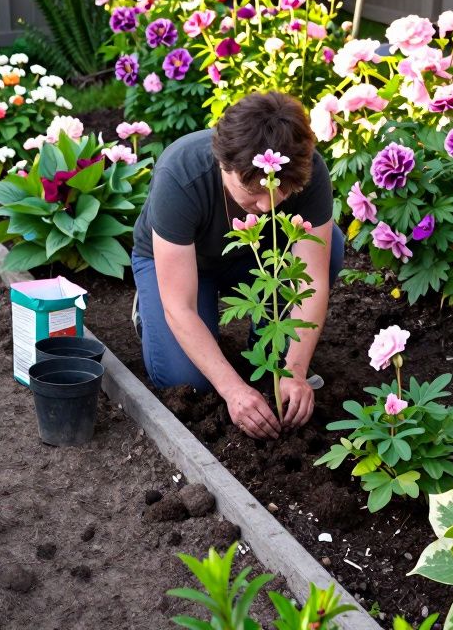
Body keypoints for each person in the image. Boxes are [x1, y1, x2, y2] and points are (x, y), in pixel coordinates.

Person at [130, 91, 344, 440]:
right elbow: (180, 307)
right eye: (250, 191)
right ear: (222, 163)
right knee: (189, 382)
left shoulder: (305, 170)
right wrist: (232, 390)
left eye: (279, 194)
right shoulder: (181, 175)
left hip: (259, 260)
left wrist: (295, 369)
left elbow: (312, 283)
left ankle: (266, 342)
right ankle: (148, 306)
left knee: (329, 244)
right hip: (187, 268)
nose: (264, 206)